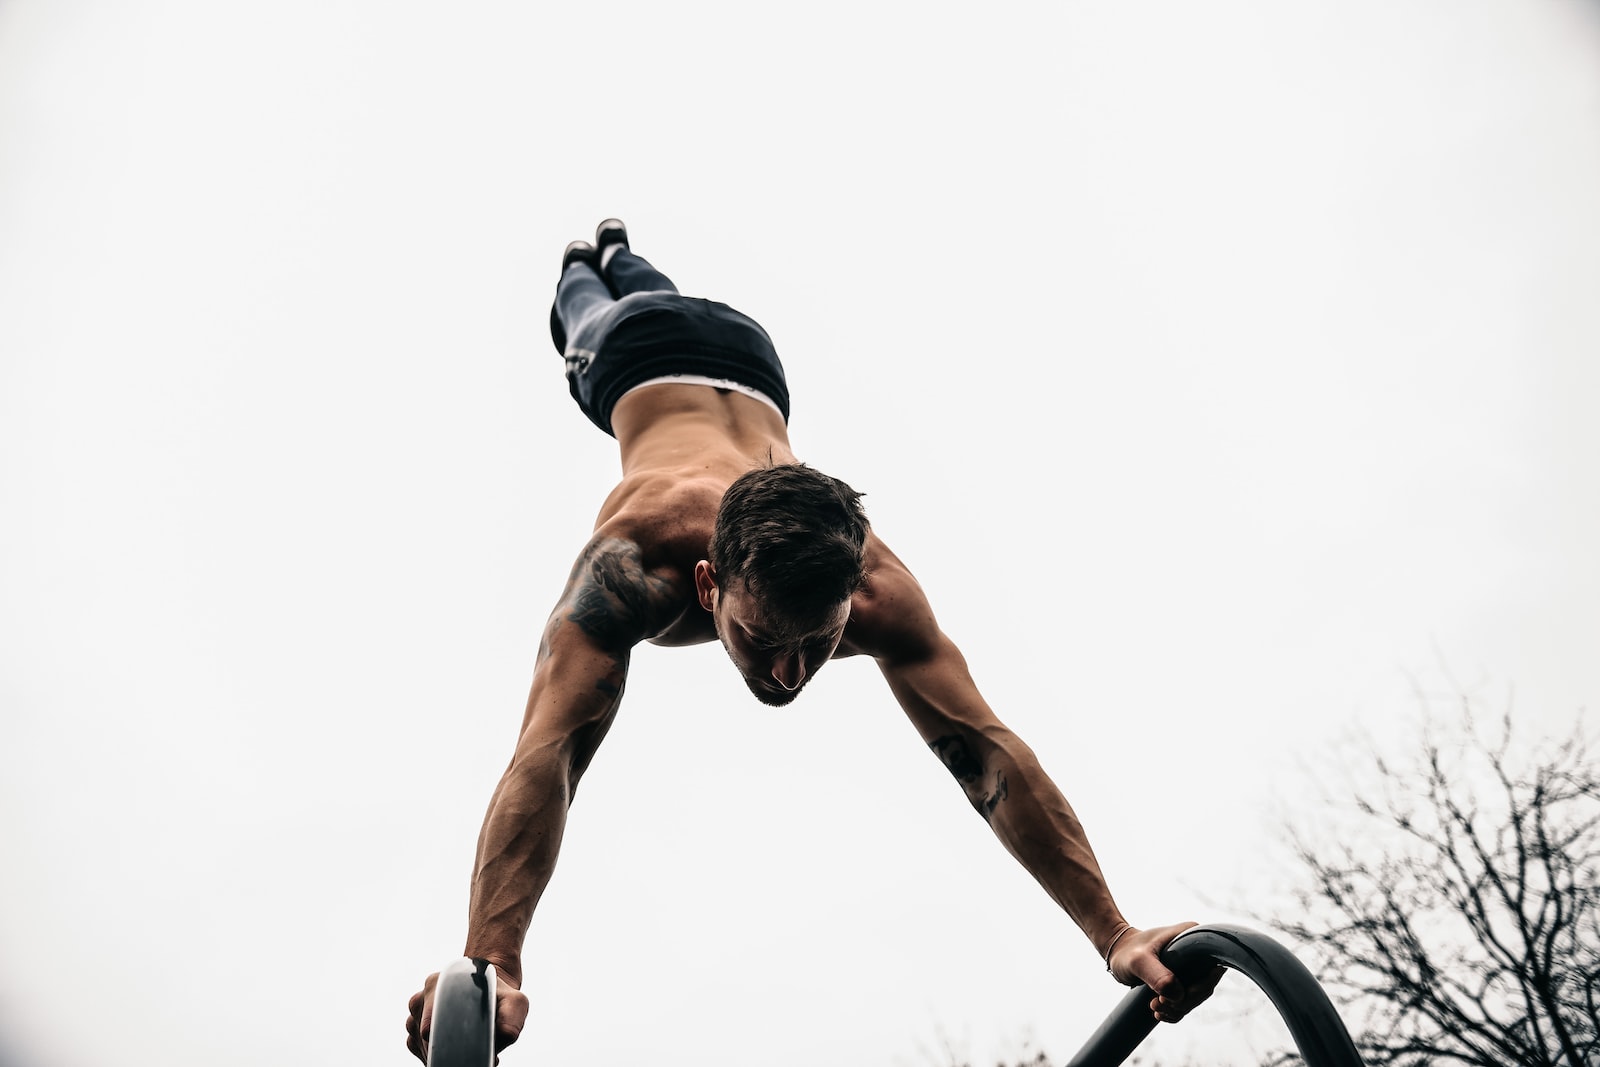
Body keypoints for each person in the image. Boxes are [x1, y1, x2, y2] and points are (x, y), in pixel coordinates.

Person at [405, 220, 1220, 1062]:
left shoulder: (875, 586)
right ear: (706, 584)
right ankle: (590, 259)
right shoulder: (635, 558)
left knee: (648, 292)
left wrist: (1115, 931)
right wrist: (490, 962)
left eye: (818, 641)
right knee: (585, 314)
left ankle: (617, 253)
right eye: (762, 640)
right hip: (638, 352)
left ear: (851, 596)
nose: (792, 672)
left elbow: (989, 753)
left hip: (758, 366)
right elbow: (550, 751)